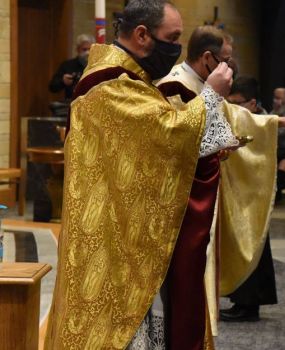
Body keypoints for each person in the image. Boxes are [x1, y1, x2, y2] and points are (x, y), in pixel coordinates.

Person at [44, 1, 236, 349]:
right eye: (172, 37)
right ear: (142, 35)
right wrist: (211, 95)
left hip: (127, 232)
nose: (176, 48)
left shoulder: (131, 80)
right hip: (112, 241)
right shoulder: (110, 86)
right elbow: (169, 134)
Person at [157, 25, 285, 341]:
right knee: (184, 281)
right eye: (227, 59)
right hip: (183, 201)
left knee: (199, 281)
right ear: (208, 58)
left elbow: (232, 116)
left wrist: (278, 122)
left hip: (205, 195)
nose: (231, 67)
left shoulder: (201, 84)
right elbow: (179, 140)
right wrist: (215, 143)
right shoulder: (176, 86)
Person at [220, 76, 278, 322]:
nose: (231, 109)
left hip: (252, 193)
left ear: (252, 103)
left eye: (236, 103)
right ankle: (241, 300)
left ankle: (249, 302)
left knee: (252, 242)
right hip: (238, 189)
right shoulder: (245, 119)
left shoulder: (261, 123)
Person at [48, 34, 94, 100]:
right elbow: (52, 87)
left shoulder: (97, 65)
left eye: (90, 49)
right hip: (72, 103)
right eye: (84, 49)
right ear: (77, 50)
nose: (87, 53)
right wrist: (62, 81)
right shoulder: (68, 65)